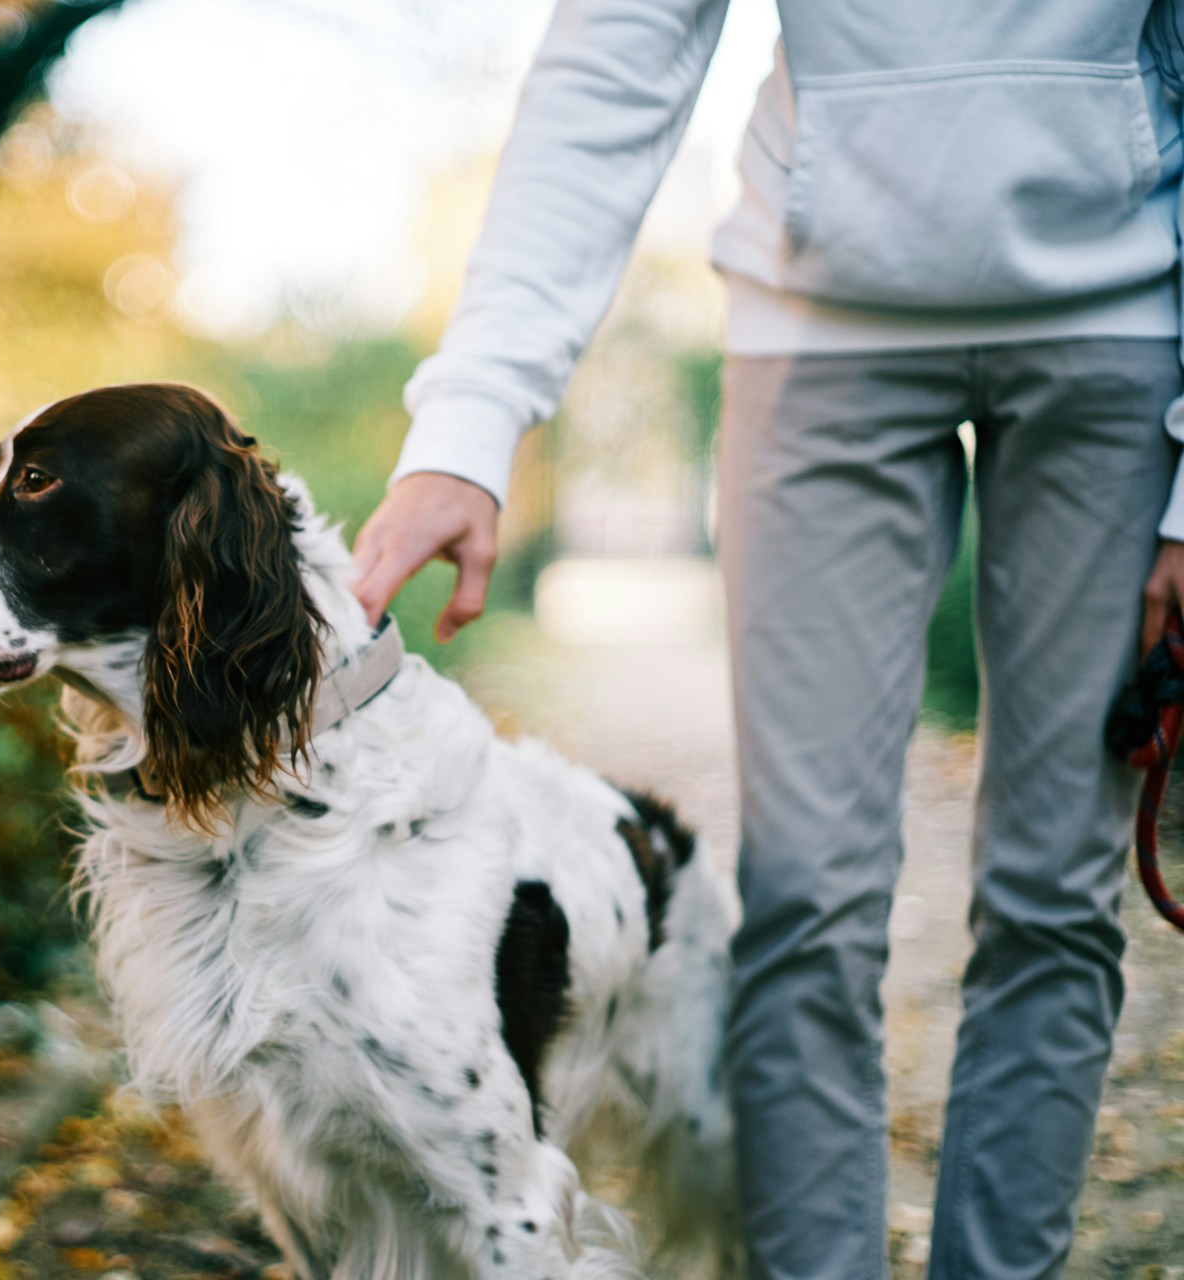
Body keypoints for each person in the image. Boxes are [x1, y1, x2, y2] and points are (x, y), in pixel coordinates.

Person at [349, 3, 1184, 1277]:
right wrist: (471, 418)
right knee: (809, 901)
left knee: (1056, 901)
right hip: (817, 327)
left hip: (1122, 327)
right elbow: (621, 46)